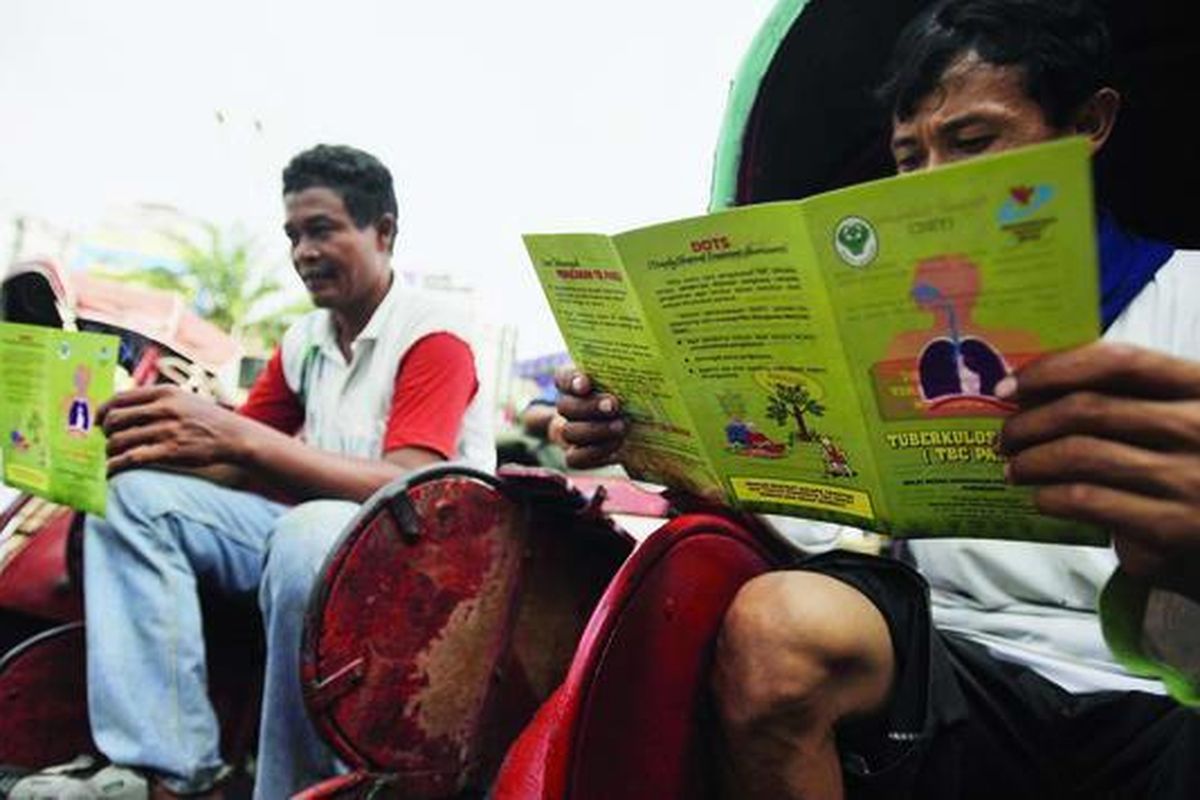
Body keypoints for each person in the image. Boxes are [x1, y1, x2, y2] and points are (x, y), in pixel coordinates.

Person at [554, 2, 1200, 797]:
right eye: (907, 158)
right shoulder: (889, 322)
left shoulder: (1189, 297)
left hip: (1160, 693)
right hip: (950, 663)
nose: (930, 187)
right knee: (777, 629)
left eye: (971, 142)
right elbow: (817, 513)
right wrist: (649, 428)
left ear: (1088, 124)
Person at [17, 145, 495, 800]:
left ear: (382, 232)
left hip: (436, 569)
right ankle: (175, 773)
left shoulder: (435, 332)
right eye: (294, 235)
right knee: (137, 498)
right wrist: (140, 438)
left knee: (311, 535)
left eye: (322, 230)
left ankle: (299, 789)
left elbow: (411, 484)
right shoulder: (305, 341)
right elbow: (233, 455)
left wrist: (235, 435)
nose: (303, 252)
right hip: (322, 541)